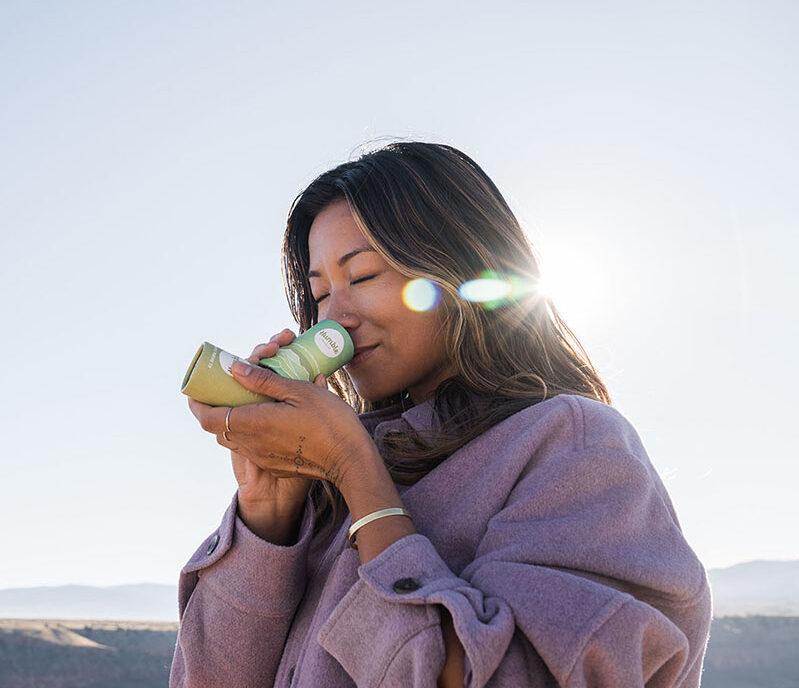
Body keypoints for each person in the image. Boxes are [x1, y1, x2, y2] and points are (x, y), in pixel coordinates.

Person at [169, 141, 712, 688]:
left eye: (362, 277)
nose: (334, 319)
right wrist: (268, 509)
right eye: (318, 294)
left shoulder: (574, 446)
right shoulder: (332, 481)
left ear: (459, 270)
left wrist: (357, 473)